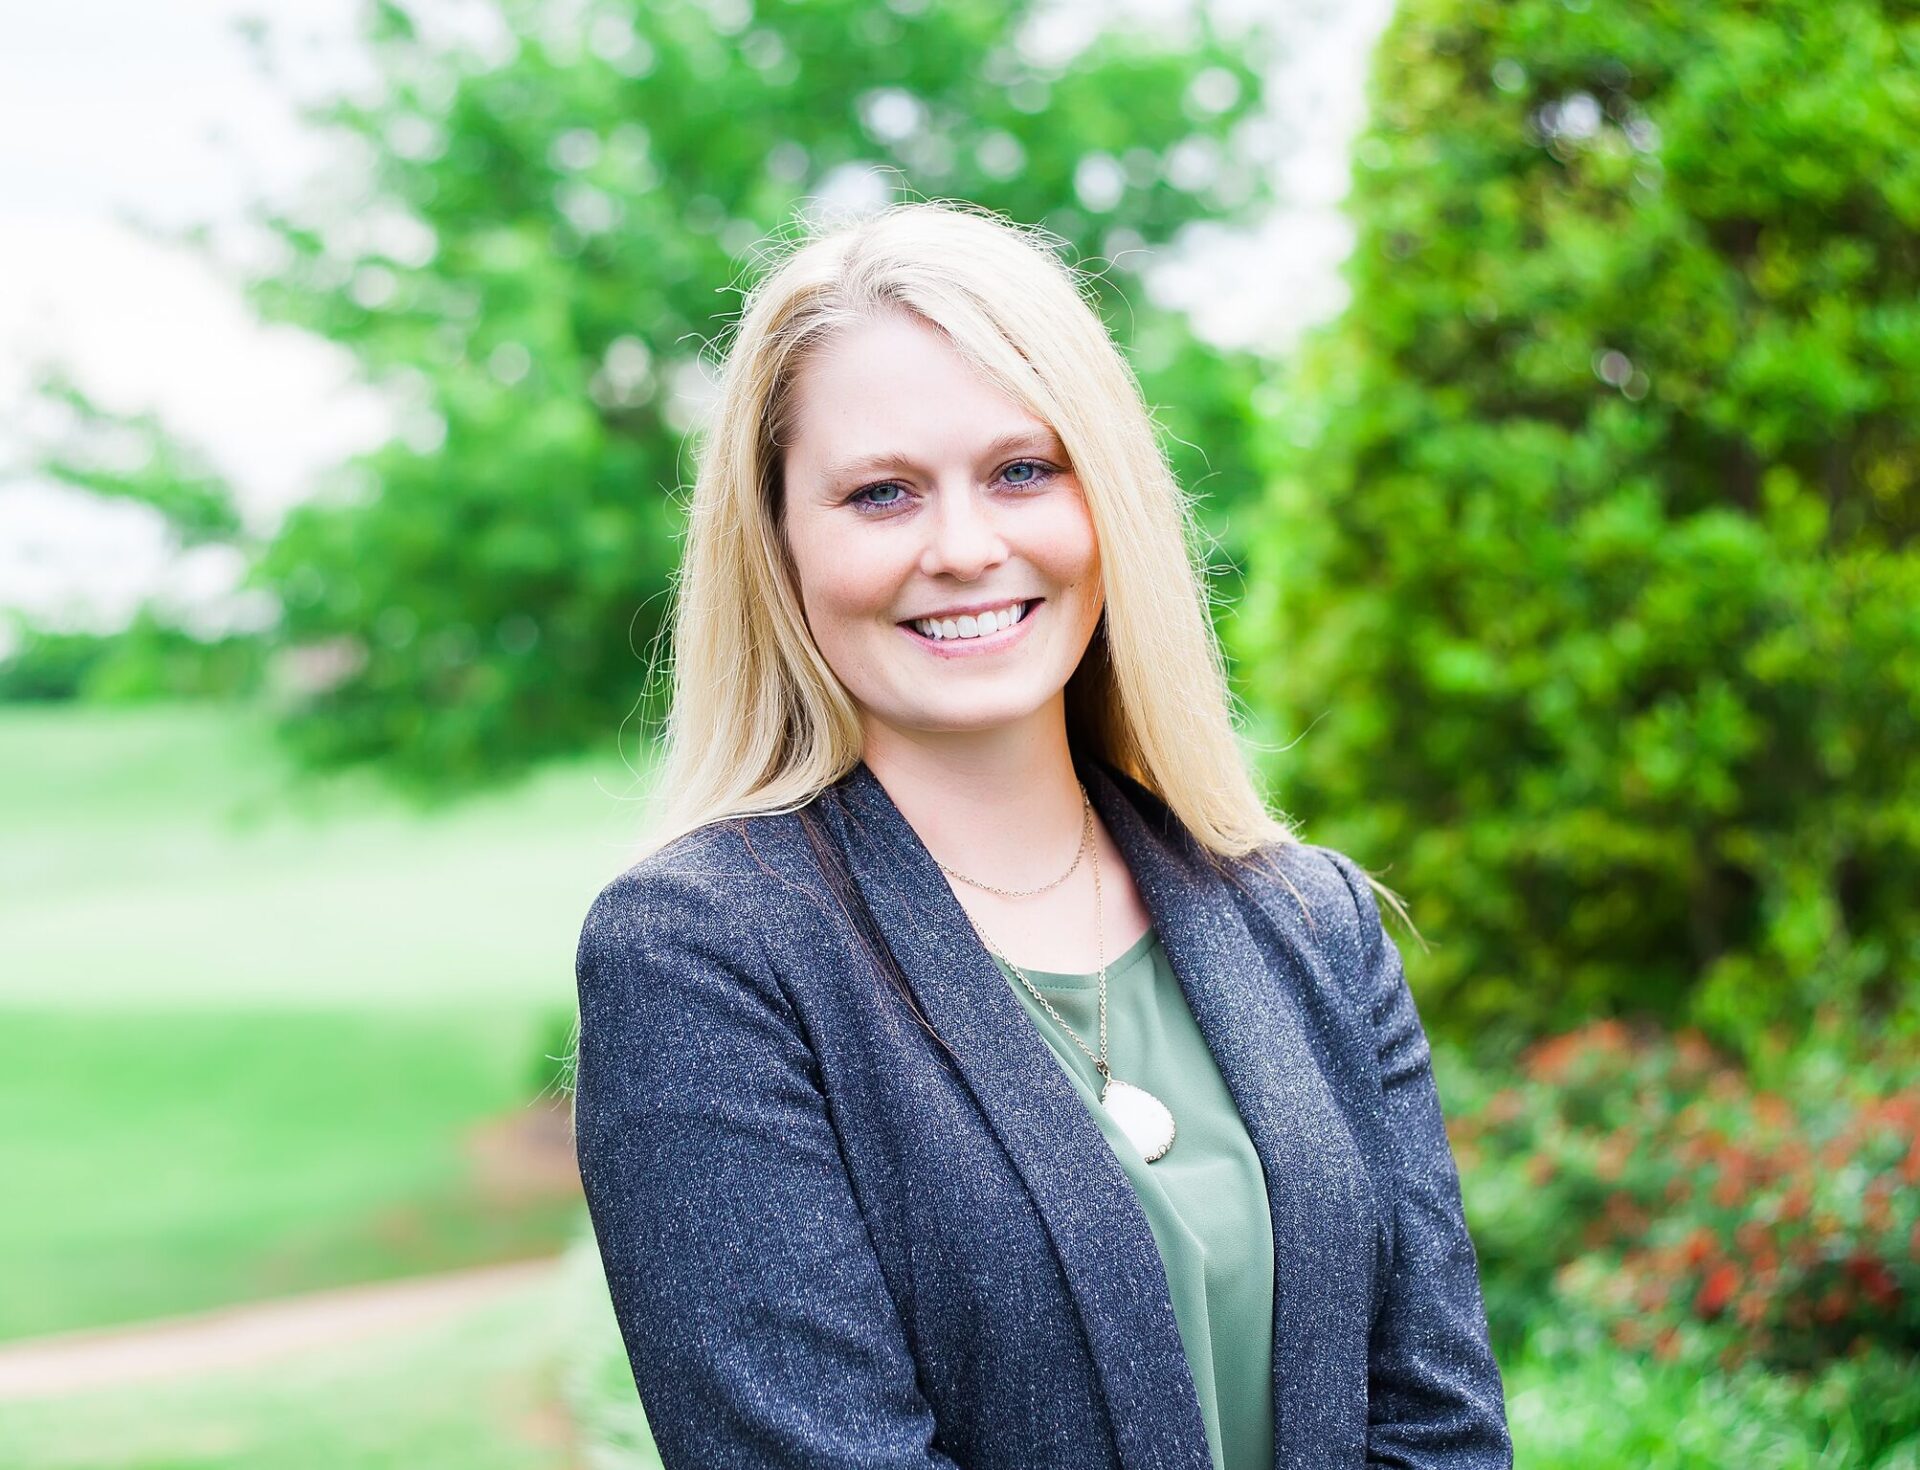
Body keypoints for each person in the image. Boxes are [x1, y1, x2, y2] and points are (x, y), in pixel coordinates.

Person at [570, 199, 1511, 1470]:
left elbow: (1440, 1429)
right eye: (881, 493)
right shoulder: (704, 958)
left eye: (1022, 470)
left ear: (1107, 498)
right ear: (781, 546)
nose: (965, 547)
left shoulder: (1311, 921)